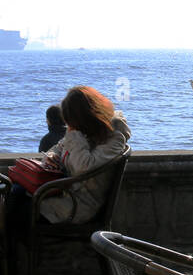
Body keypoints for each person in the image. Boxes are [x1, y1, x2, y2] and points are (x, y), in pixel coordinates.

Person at [35, 86, 131, 224]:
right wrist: (51, 157)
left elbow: (83, 165)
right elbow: (57, 148)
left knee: (18, 204)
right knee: (15, 192)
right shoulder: (83, 132)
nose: (69, 127)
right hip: (67, 196)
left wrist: (74, 133)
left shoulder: (114, 138)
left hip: (78, 205)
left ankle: (9, 243)